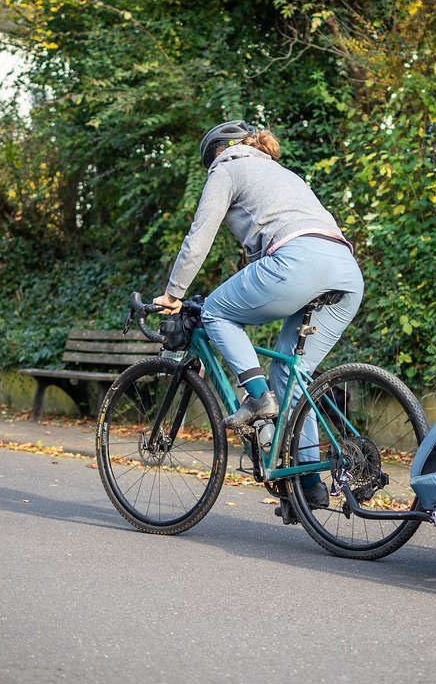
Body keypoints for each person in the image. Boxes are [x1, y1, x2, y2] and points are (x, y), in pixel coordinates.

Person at [154, 120, 363, 508]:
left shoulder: (227, 167)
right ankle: (309, 482)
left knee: (215, 310)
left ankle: (257, 398)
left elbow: (199, 236)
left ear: (217, 151)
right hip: (346, 271)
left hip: (297, 262)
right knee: (291, 374)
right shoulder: (281, 172)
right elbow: (258, 262)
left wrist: (173, 293)